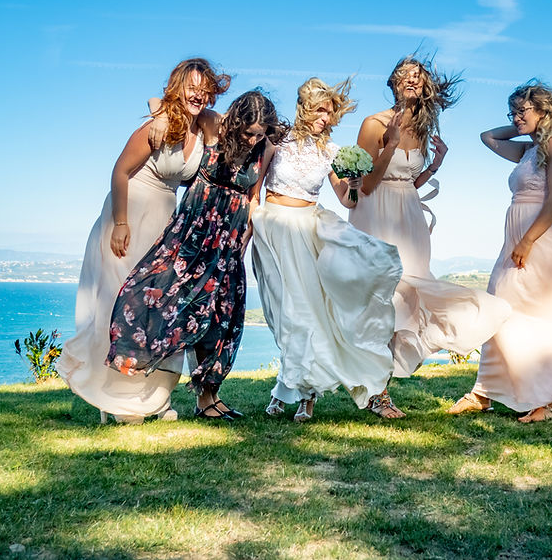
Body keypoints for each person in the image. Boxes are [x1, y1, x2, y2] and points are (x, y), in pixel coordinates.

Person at [56, 58, 230, 424]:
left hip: (166, 219)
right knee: (123, 304)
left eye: (204, 89)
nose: (198, 95)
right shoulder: (156, 127)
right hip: (131, 213)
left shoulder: (203, 127)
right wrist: (120, 222)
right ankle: (115, 399)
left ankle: (154, 399)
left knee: (161, 309)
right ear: (178, 87)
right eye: (191, 87)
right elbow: (119, 171)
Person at [105, 90, 281, 422]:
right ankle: (129, 382)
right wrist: (158, 118)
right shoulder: (213, 124)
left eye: (259, 133)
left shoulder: (266, 148)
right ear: (237, 120)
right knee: (150, 293)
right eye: (247, 132)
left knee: (220, 318)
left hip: (230, 237)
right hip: (193, 231)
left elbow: (254, 195)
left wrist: (249, 230)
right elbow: (166, 103)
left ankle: (208, 399)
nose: (253, 139)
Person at [348, 56, 511, 415]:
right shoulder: (372, 123)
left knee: (408, 299)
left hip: (410, 217)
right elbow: (366, 187)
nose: (411, 81)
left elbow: (409, 181)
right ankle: (374, 390)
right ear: (392, 82)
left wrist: (436, 164)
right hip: (375, 215)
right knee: (381, 300)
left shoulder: (421, 127)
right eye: (405, 76)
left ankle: (381, 388)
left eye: (418, 78)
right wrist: (388, 145)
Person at [250, 77, 402, 422]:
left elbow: (347, 200)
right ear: (306, 108)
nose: (325, 119)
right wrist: (250, 225)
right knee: (281, 312)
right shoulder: (277, 140)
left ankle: (307, 396)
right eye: (321, 111)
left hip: (306, 229)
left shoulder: (331, 151)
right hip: (272, 228)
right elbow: (255, 189)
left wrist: (353, 184)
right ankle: (286, 388)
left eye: (330, 113)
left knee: (304, 311)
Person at [448, 80, 552, 423]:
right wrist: (521, 125)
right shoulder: (528, 149)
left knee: (539, 313)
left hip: (541, 238)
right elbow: (488, 137)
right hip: (515, 235)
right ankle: (486, 392)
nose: (515, 116)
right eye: (511, 111)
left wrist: (527, 241)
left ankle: (545, 401)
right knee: (500, 305)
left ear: (543, 110)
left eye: (522, 110)